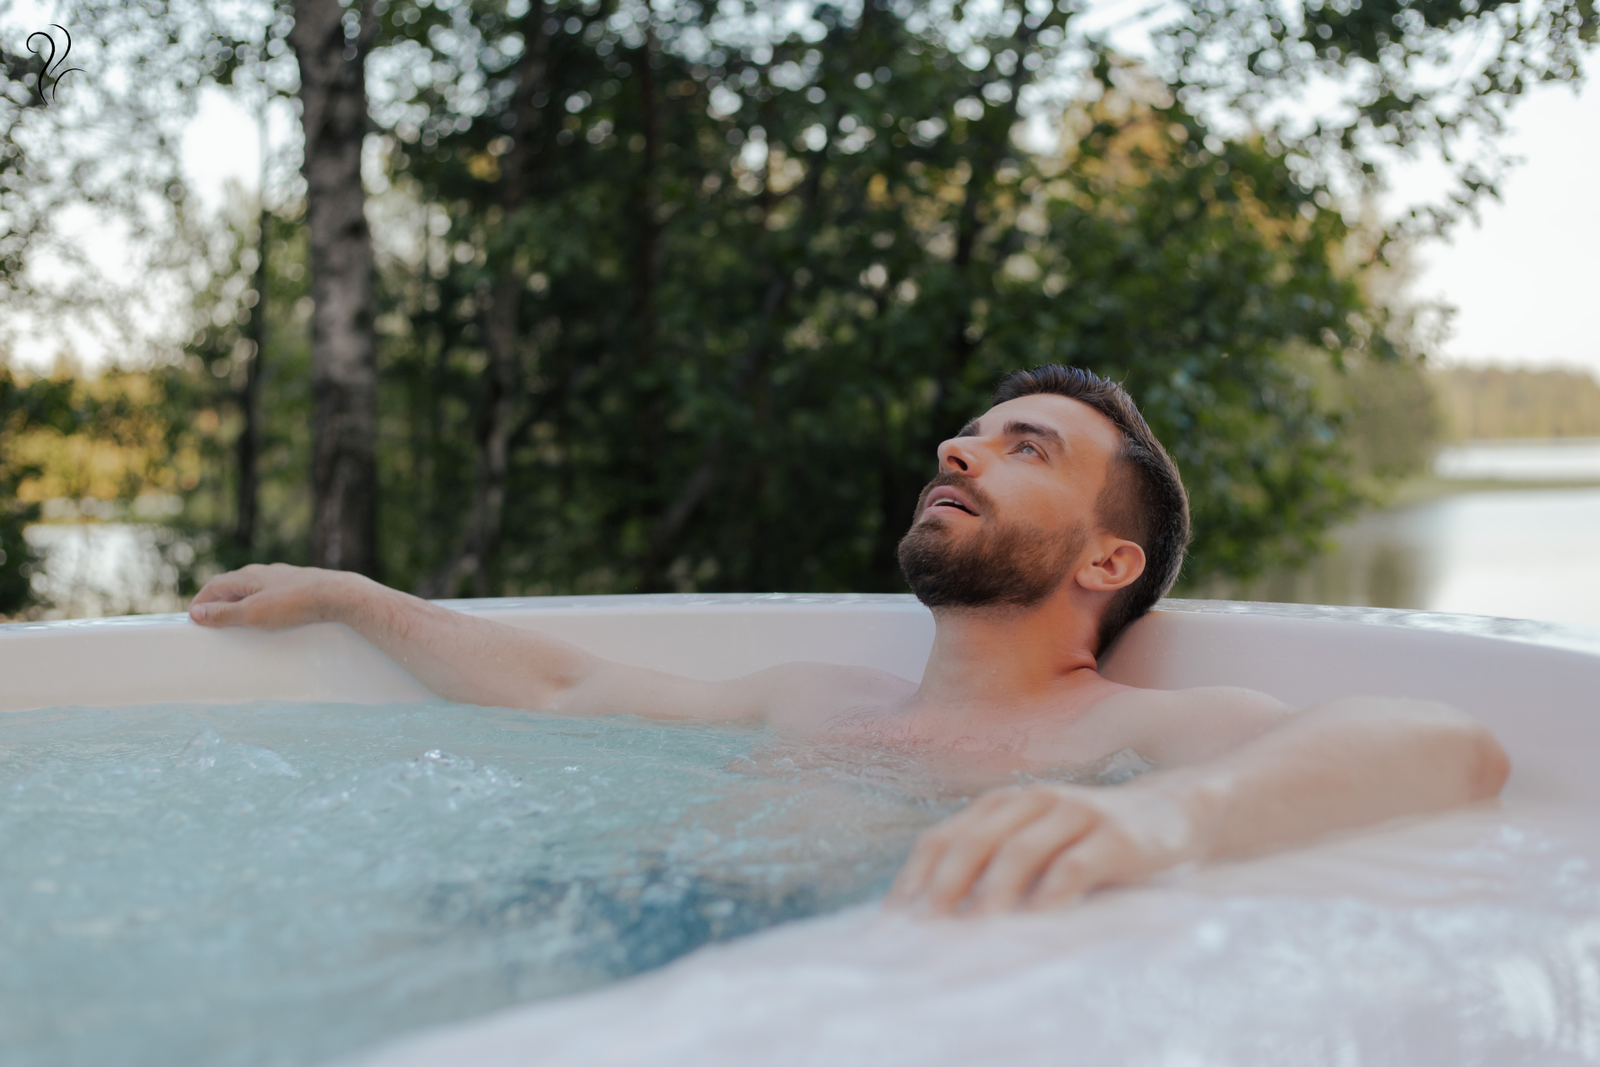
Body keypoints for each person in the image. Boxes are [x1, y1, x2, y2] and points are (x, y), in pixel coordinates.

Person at [188, 365, 1508, 917]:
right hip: (585, 926)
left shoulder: (1133, 737)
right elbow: (563, 685)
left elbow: (1451, 744)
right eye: (971, 433)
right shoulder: (815, 693)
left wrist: (1182, 819)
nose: (959, 447)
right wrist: (350, 595)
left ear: (1109, 561)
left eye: (1023, 446)